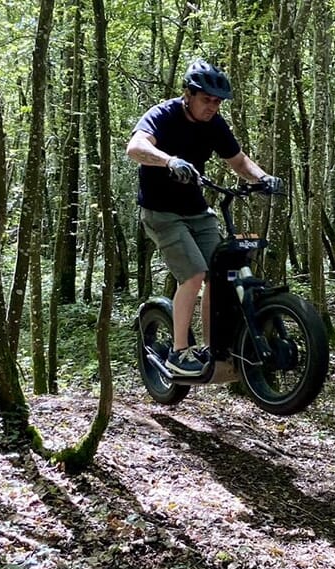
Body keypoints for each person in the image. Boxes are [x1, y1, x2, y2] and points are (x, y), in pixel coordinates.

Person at [126, 59, 282, 376]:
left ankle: (214, 348)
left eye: (217, 101)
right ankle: (178, 354)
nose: (212, 107)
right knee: (195, 274)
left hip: (197, 211)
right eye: (206, 99)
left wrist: (263, 178)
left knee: (223, 273)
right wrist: (169, 161)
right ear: (188, 94)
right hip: (161, 212)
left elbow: (238, 162)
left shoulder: (215, 124)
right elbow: (135, 147)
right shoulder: (164, 115)